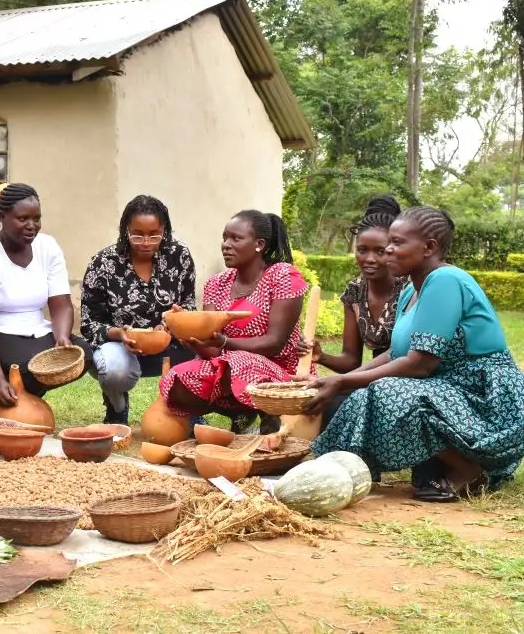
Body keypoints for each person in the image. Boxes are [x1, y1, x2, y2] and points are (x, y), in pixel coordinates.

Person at [307, 207, 524, 501]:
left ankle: (469, 468)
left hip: (484, 394)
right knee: (361, 394)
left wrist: (343, 382)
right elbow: (397, 354)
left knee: (388, 392)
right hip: (448, 387)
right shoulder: (411, 290)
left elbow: (420, 364)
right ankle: (354, 468)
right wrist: (341, 381)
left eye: (397, 243)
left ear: (429, 247)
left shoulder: (446, 280)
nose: (388, 251)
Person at [159, 210, 309, 433]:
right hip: (228, 366)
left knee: (238, 361)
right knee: (177, 379)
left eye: (236, 238)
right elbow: (212, 348)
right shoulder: (216, 284)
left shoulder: (282, 276)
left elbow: (275, 342)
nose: (226, 245)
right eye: (224, 238)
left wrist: (224, 343)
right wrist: (188, 330)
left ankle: (271, 419)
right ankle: (240, 412)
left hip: (280, 372)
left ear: (259, 244)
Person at [0, 182, 92, 416]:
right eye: (23, 219)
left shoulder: (48, 247)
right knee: (24, 370)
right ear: (3, 216)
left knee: (83, 354)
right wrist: (0, 380)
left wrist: (61, 336)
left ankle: (7, 395)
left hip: (36, 329)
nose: (32, 226)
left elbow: (61, 305)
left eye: (37, 218)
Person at [81, 195, 197, 424]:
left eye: (154, 234)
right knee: (113, 369)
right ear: (126, 229)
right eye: (137, 234)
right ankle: (117, 406)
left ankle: (188, 412)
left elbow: (189, 307)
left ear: (165, 229)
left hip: (168, 345)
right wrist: (120, 334)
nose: (146, 242)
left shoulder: (179, 257)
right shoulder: (104, 262)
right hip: (120, 348)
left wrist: (172, 323)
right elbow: (89, 323)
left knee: (203, 353)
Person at [297, 195, 409, 427]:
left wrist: (345, 381)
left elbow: (411, 357)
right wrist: (321, 356)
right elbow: (351, 359)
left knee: (340, 403)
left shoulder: (410, 286)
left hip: (407, 375)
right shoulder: (355, 291)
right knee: (322, 400)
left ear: (392, 249)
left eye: (379, 251)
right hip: (373, 377)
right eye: (362, 250)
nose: (369, 259)